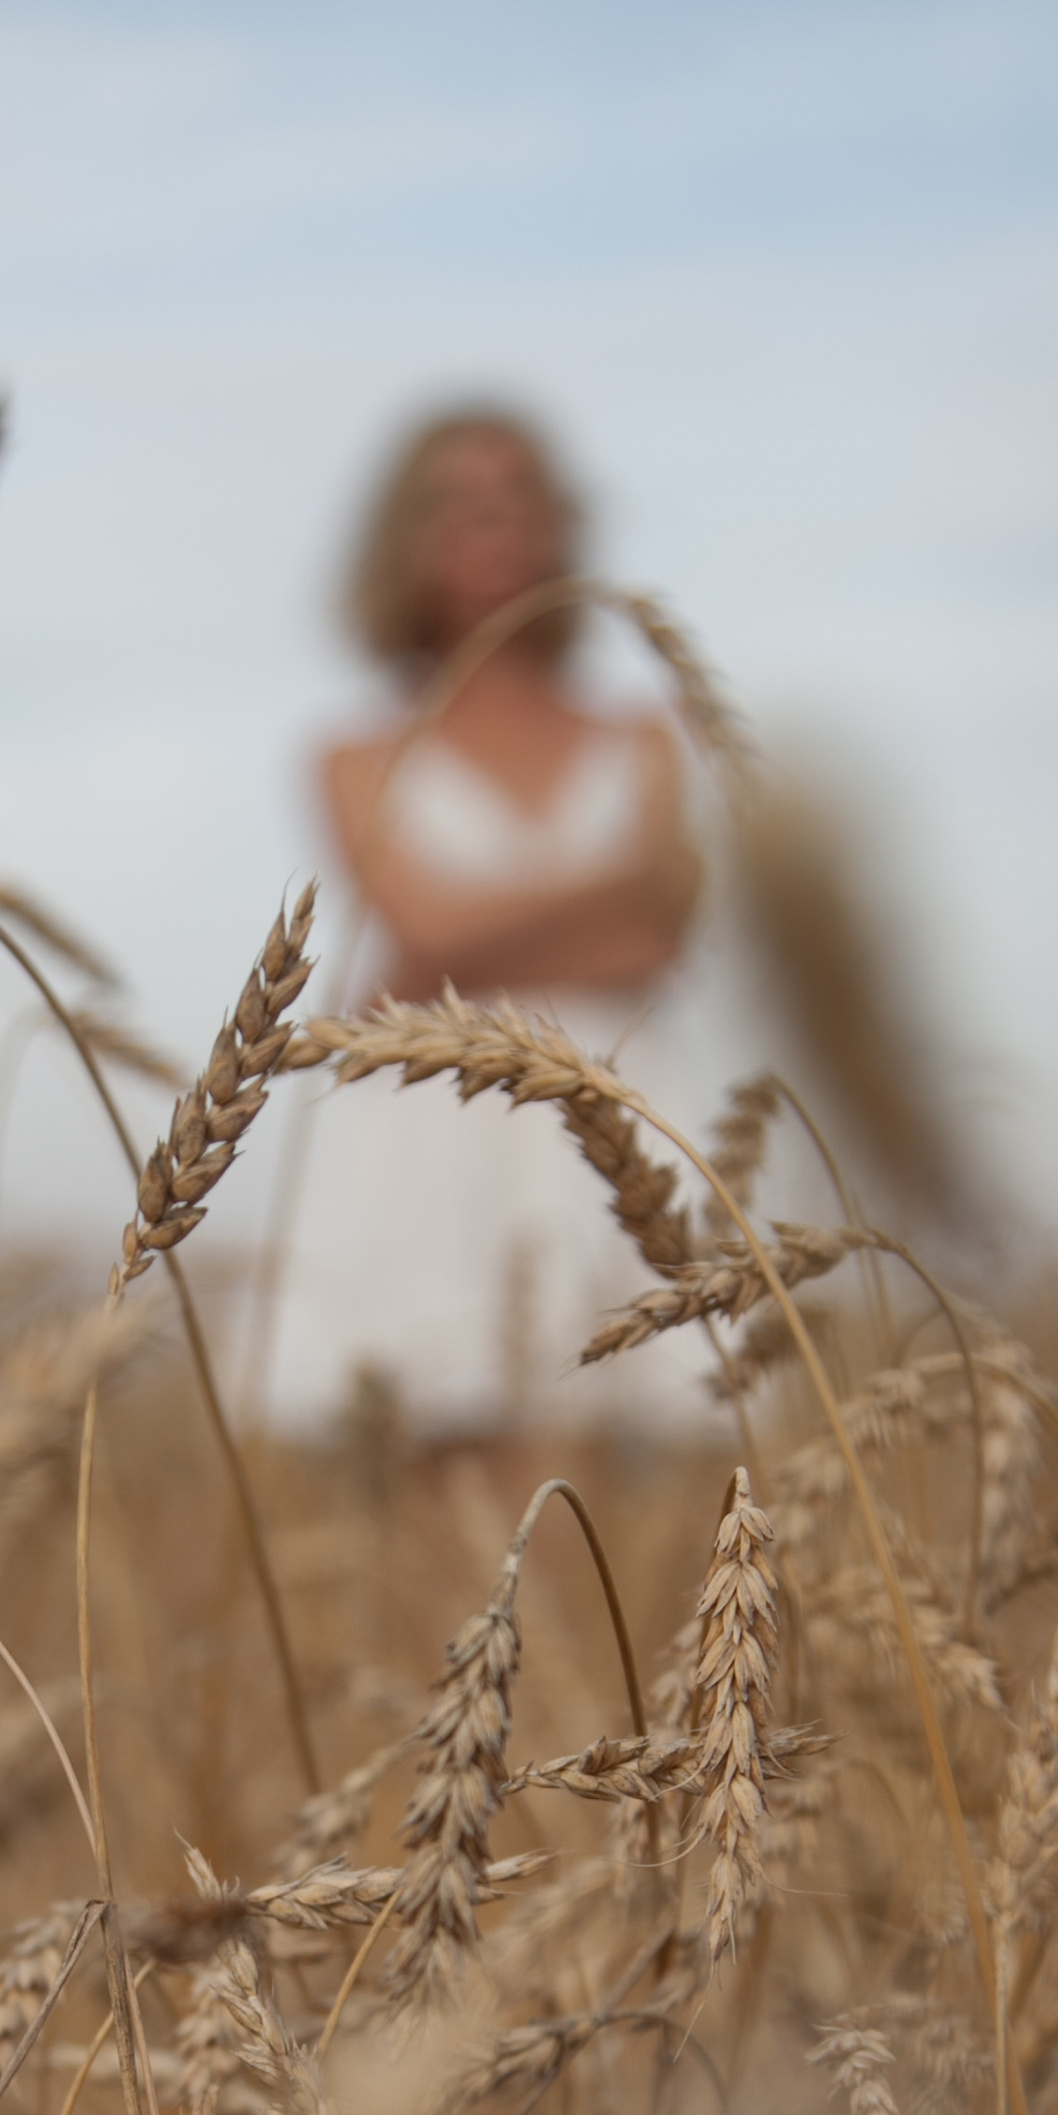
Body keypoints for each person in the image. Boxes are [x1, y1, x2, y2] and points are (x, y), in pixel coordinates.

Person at [259, 405, 708, 1427]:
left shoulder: (644, 732)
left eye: (520, 503)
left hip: (619, 1106)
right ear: (402, 542)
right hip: (436, 1115)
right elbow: (427, 932)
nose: (497, 530)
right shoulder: (352, 754)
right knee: (439, 1453)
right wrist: (624, 882)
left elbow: (660, 941)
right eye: (460, 509)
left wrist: (473, 934)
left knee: (629, 1468)